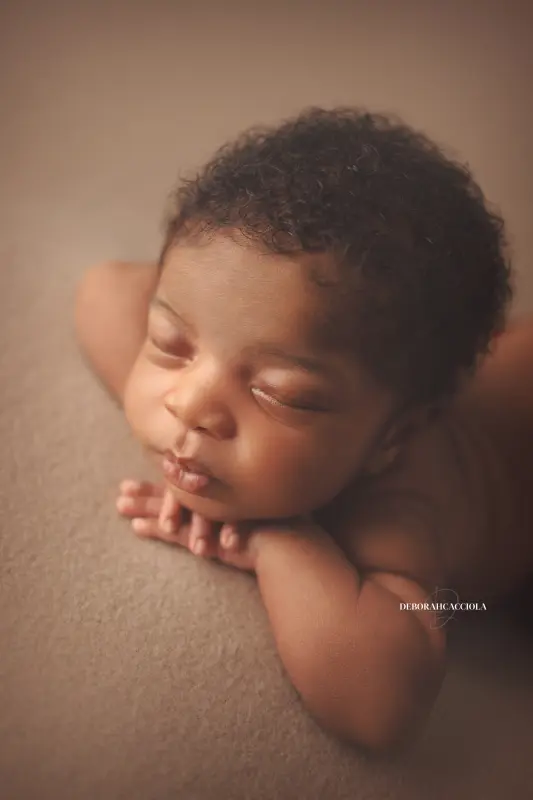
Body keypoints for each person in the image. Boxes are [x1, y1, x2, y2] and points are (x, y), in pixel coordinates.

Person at [74, 106, 533, 755]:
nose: (191, 405)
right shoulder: (267, 343)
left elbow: (383, 704)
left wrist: (279, 538)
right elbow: (104, 291)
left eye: (278, 394)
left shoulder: (402, 505)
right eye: (172, 343)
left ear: (391, 438)